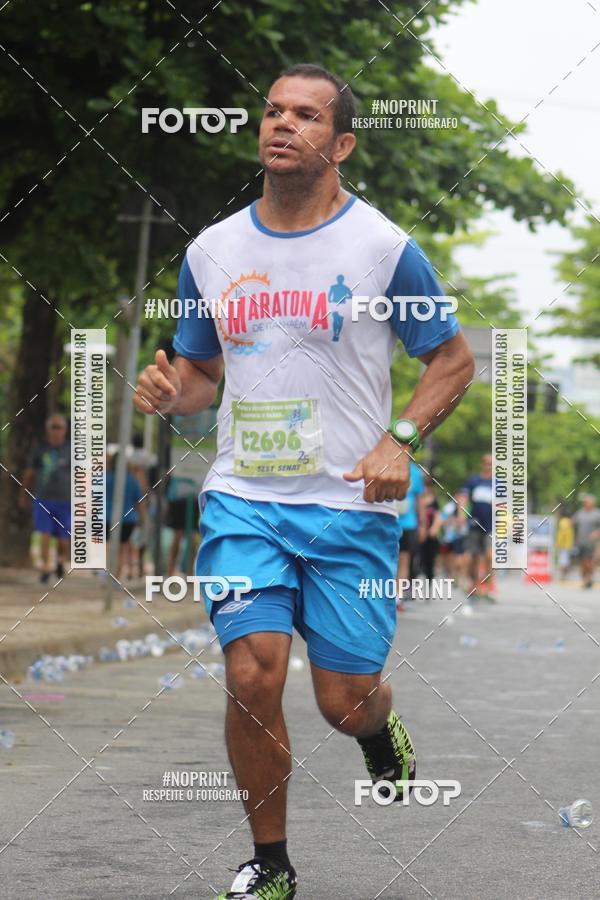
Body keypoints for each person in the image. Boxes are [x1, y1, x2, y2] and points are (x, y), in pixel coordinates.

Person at [133, 63, 474, 899]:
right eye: (274, 112)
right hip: (245, 499)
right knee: (251, 670)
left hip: (349, 507)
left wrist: (400, 440)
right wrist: (177, 392)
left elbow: (452, 362)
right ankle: (271, 864)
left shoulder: (383, 248)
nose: (284, 125)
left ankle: (376, 729)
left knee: (343, 699)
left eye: (308, 117)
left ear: (342, 142)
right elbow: (203, 375)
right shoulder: (212, 251)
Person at [19, 414, 71, 583]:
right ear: (48, 429)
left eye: (60, 427)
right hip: (43, 499)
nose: (56, 431)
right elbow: (29, 473)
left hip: (66, 501)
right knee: (45, 533)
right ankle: (45, 568)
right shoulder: (40, 449)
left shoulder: (71, 449)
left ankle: (60, 562)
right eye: (53, 427)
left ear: (65, 430)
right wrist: (23, 494)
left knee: (64, 539)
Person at [459, 453, 495, 601]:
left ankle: (489, 587)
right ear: (483, 464)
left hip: (491, 525)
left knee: (489, 556)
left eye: (491, 463)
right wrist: (461, 515)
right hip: (474, 523)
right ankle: (474, 586)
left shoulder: (499, 483)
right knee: (473, 556)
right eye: (486, 463)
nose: (489, 465)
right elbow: (464, 497)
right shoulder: (474, 480)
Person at [105, 454, 144, 579]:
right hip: (128, 518)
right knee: (123, 547)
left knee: (109, 546)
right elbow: (139, 501)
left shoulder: (106, 478)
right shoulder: (132, 480)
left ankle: (108, 573)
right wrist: (142, 518)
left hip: (107, 516)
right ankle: (116, 576)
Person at [394, 459, 426, 608]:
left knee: (404, 559)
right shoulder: (386, 463)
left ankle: (398, 596)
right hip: (387, 521)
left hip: (408, 523)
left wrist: (423, 525)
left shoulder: (415, 472)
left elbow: (420, 500)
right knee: (387, 559)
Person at [572, 495, 600, 589]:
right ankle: (585, 579)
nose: (586, 504)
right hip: (580, 542)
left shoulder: (597, 514)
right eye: (585, 502)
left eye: (588, 502)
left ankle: (589, 578)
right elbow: (573, 522)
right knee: (582, 561)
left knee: (589, 561)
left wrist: (596, 533)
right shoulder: (580, 513)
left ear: (592, 503)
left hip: (591, 543)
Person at [418, 476, 440, 583]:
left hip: (430, 535)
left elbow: (437, 516)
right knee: (417, 558)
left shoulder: (434, 501)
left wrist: (434, 528)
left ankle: (429, 581)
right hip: (417, 533)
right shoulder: (417, 498)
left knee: (429, 560)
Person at [555, 511, 574, 581]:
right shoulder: (570, 521)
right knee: (566, 559)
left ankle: (563, 575)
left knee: (563, 560)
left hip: (563, 544)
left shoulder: (562, 521)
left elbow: (563, 533)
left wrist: (558, 542)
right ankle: (565, 575)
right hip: (569, 543)